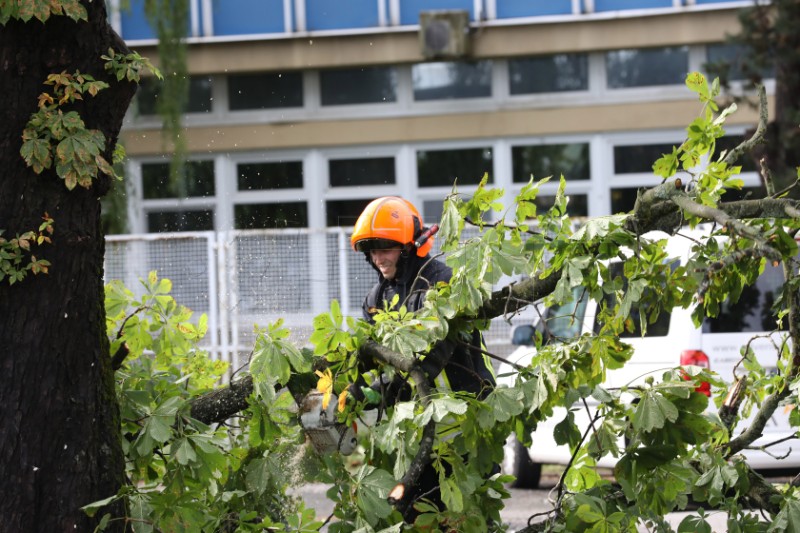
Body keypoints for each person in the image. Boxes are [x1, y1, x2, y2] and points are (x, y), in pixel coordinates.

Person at [349, 196, 496, 521]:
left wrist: (384, 388)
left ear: (407, 246)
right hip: (415, 431)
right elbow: (373, 357)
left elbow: (431, 357)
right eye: (372, 250)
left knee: (459, 519)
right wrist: (354, 390)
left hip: (463, 424)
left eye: (385, 247)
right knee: (410, 516)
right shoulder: (376, 299)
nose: (378, 257)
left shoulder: (441, 284)